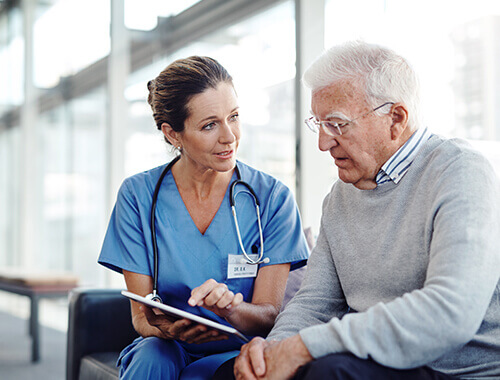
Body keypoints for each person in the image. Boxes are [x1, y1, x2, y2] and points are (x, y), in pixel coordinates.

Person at [213, 41, 500, 379]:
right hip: (371, 362)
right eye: (318, 124)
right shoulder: (339, 197)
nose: (323, 142)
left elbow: (452, 311)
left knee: (329, 372)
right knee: (232, 374)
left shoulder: (460, 171)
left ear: (396, 118)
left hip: (456, 371)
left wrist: (304, 348)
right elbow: (313, 304)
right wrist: (273, 353)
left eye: (337, 124)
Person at [97, 56, 310, 379]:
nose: (229, 137)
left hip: (237, 347)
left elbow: (269, 316)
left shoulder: (272, 198)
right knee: (152, 358)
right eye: (210, 125)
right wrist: (168, 328)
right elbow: (141, 318)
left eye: (234, 117)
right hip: (168, 346)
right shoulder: (138, 196)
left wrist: (230, 309)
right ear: (173, 134)